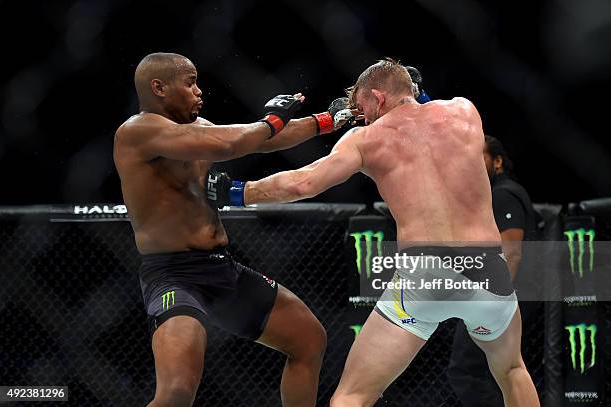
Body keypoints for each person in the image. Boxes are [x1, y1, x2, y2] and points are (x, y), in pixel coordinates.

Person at [211, 59, 540, 407]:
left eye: (363, 108)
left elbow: (303, 183)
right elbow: (427, 120)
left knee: (352, 395)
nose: (361, 117)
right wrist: (418, 94)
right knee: (512, 370)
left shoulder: (365, 139)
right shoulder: (464, 112)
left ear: (379, 98)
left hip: (426, 274)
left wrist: (236, 192)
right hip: (487, 268)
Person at [113, 52, 356, 407]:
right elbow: (230, 144)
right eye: (190, 82)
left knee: (308, 339)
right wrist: (271, 119)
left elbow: (264, 139)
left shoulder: (198, 129)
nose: (199, 91)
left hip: (221, 268)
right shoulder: (137, 132)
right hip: (174, 276)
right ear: (159, 87)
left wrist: (329, 120)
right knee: (177, 391)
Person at [447, 135, 538, 406]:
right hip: (507, 293)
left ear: (497, 161)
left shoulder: (503, 193)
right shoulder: (495, 194)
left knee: (466, 370)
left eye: (480, 157)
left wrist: (492, 300)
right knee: (505, 370)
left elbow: (512, 252)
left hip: (505, 295)